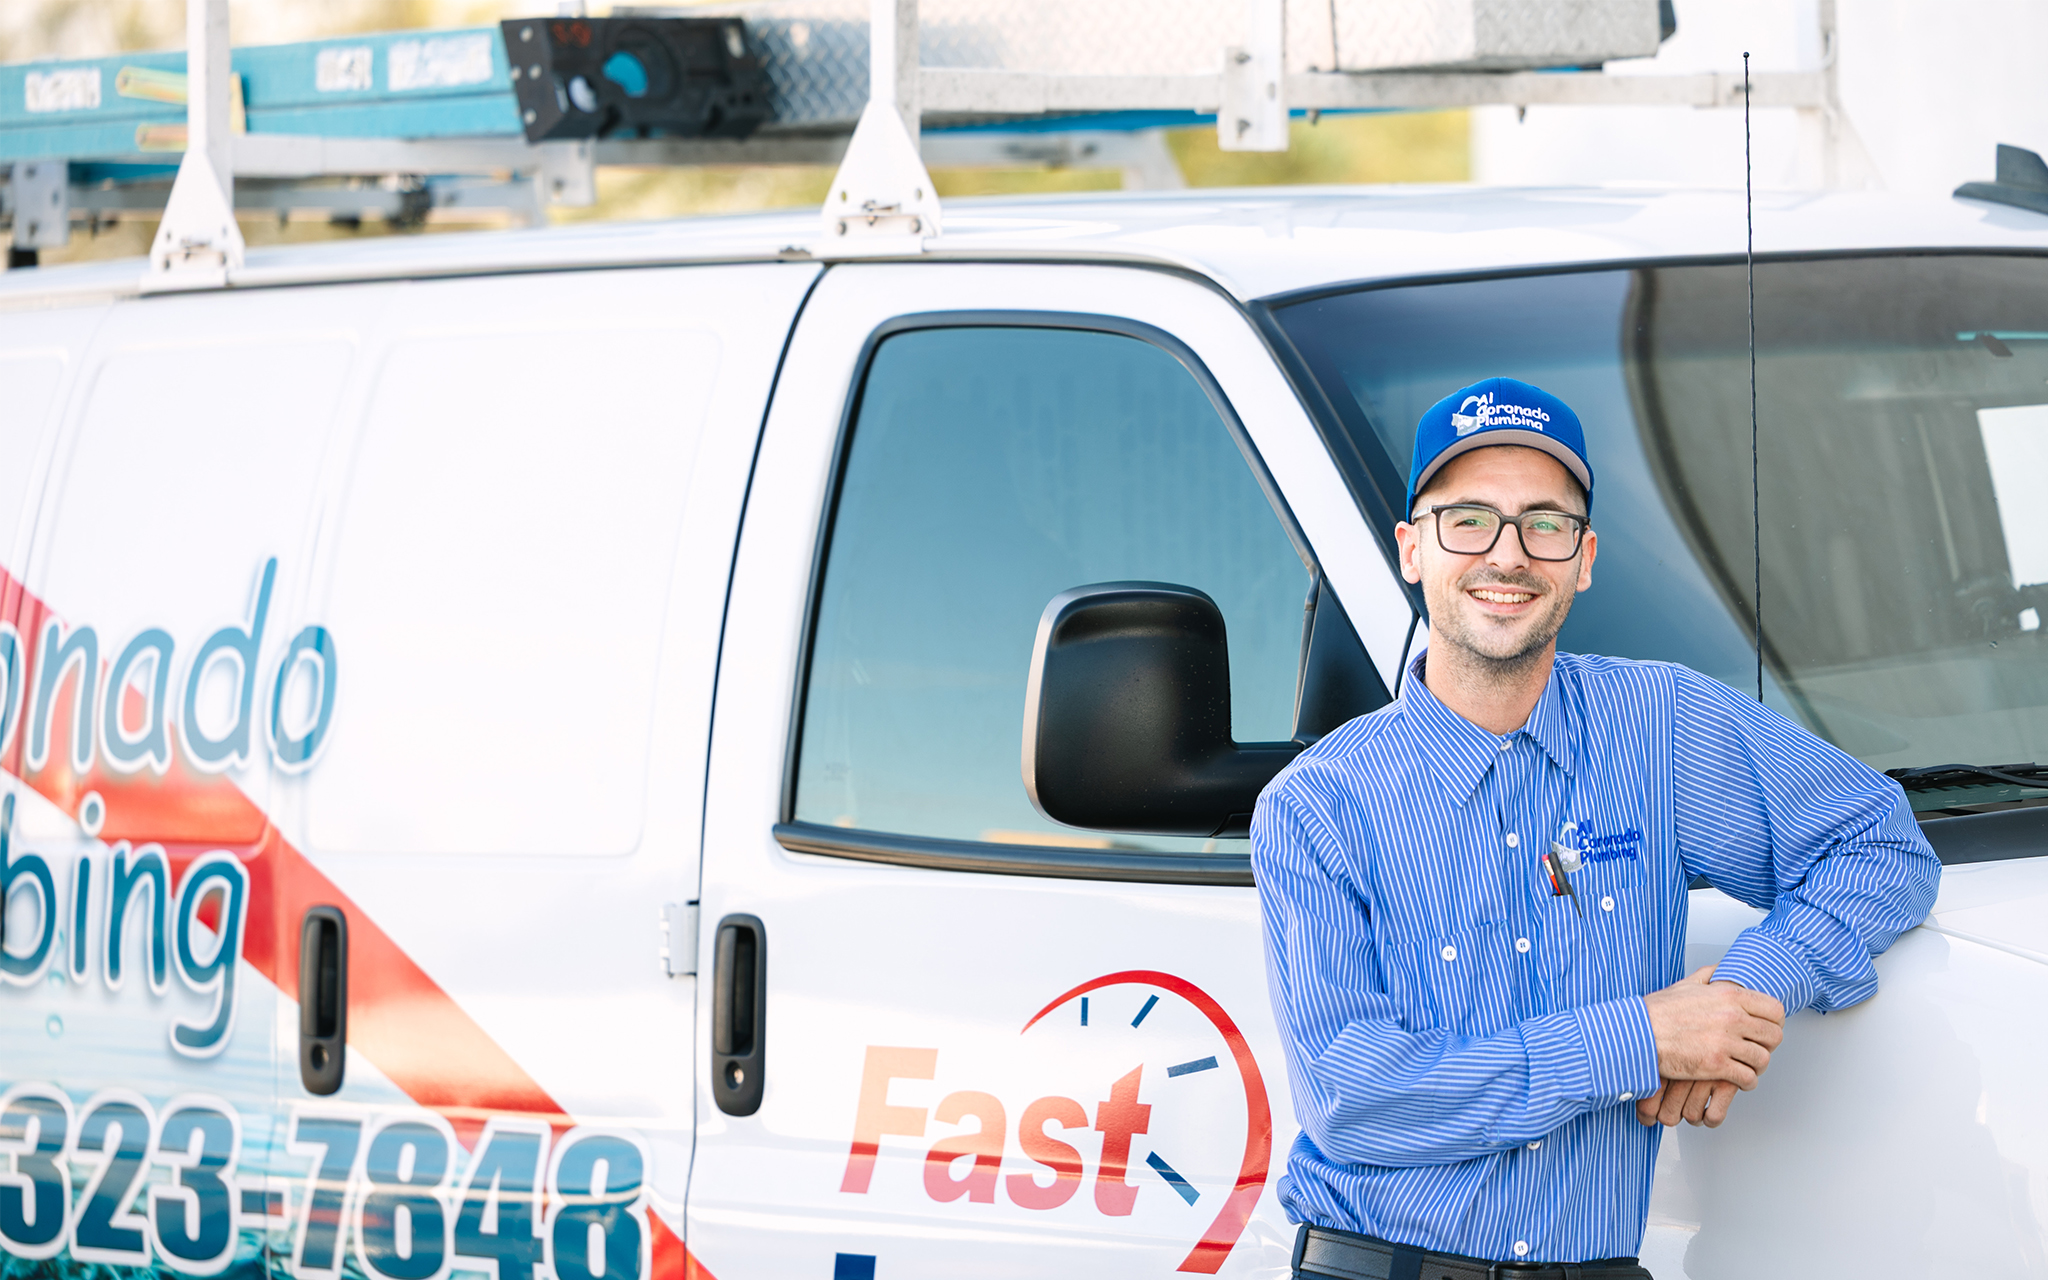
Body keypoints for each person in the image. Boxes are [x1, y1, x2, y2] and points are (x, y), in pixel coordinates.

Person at [1249, 376, 1941, 1280]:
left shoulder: (1660, 725)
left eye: (1546, 524)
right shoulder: (1318, 805)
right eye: (1469, 521)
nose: (1508, 556)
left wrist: (1746, 991)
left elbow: (1878, 844)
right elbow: (1355, 1097)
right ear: (1413, 549)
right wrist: (1640, 1039)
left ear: (1584, 557)